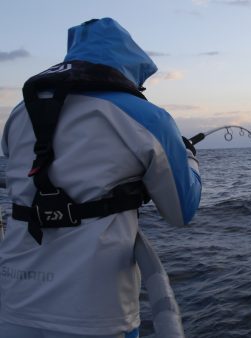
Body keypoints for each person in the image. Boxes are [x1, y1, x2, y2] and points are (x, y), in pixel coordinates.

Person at [0, 18, 202, 338]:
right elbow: (181, 211)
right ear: (128, 69)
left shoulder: (19, 113)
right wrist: (189, 157)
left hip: (13, 305)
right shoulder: (149, 118)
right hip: (97, 317)